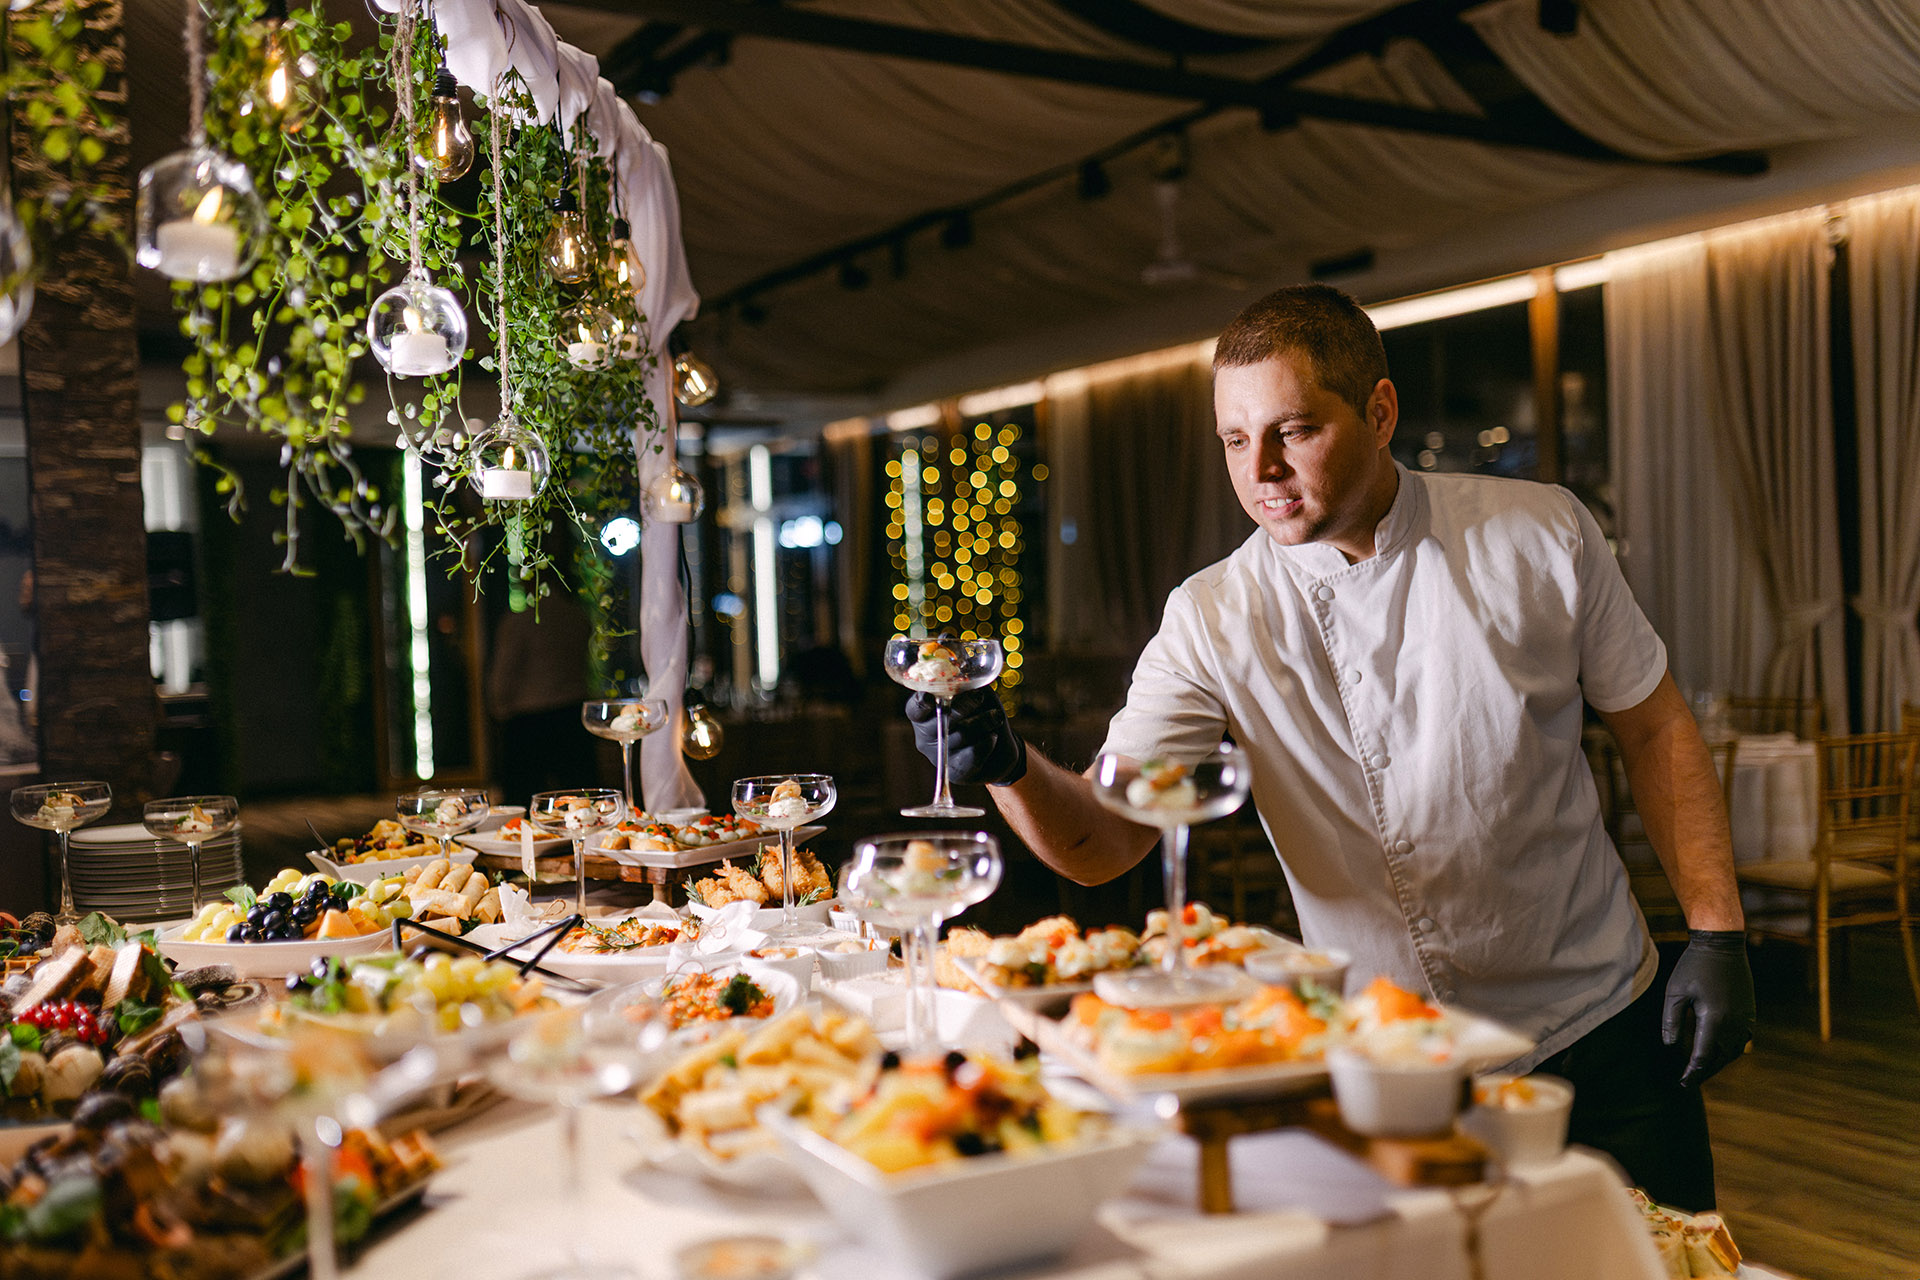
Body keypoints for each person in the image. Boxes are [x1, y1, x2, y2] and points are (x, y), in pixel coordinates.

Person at [907, 284, 1754, 1210]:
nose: (1261, 470)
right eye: (1236, 440)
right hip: (1380, 1061)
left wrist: (1716, 930)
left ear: (1380, 413)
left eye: (1294, 430)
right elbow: (1107, 840)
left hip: (1599, 1024)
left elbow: (1654, 725)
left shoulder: (1541, 532)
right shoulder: (1210, 617)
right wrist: (1007, 764)